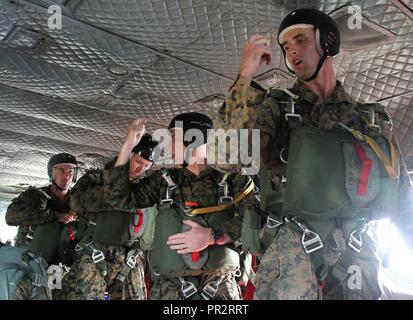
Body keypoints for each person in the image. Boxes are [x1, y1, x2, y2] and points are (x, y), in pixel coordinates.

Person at [214, 8, 413, 299]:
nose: (292, 50)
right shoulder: (276, 108)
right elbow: (225, 158)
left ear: (327, 42)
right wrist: (244, 77)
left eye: (300, 39)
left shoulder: (371, 118)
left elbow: (402, 199)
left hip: (358, 257)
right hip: (293, 258)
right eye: (285, 47)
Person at [104, 113, 256, 300]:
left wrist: (212, 235)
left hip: (221, 290)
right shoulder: (164, 181)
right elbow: (115, 199)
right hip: (170, 290)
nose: (167, 146)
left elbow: (256, 218)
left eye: (173, 138)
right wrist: (128, 148)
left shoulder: (234, 180)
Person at [56, 134, 157, 300]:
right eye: (138, 162)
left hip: (129, 258)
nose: (141, 170)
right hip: (94, 251)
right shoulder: (97, 178)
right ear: (127, 156)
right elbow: (75, 202)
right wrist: (117, 191)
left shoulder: (145, 189)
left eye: (146, 166)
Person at [6, 153, 79, 265]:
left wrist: (80, 213)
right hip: (30, 261)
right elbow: (11, 216)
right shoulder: (35, 195)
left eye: (70, 171)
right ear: (51, 172)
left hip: (64, 264)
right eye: (61, 171)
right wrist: (56, 216)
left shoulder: (79, 200)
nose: (67, 176)